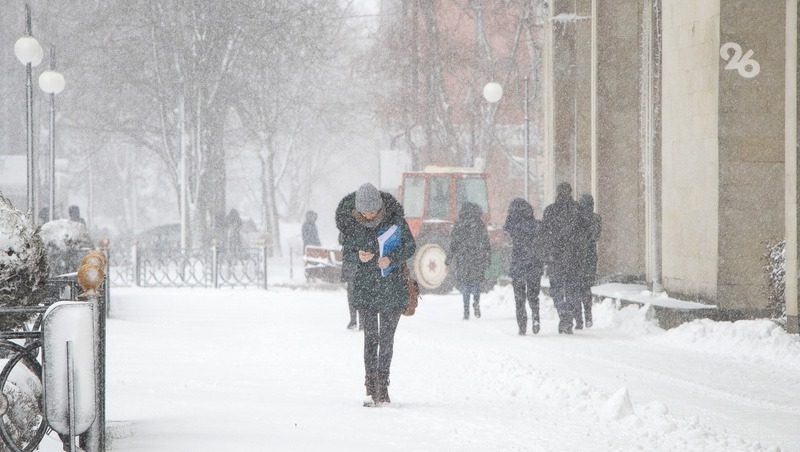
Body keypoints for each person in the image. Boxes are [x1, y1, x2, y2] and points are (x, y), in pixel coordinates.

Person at [335, 183, 416, 405]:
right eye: (365, 212)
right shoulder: (352, 225)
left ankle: (383, 386)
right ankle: (371, 386)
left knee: (387, 339)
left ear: (381, 207)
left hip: (392, 287)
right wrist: (357, 256)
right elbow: (347, 253)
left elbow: (410, 246)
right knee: (370, 339)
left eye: (373, 211)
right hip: (366, 289)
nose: (370, 215)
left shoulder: (395, 219)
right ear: (357, 210)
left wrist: (392, 258)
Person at [540, 182, 587, 335]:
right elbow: (584, 235)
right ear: (571, 192)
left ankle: (563, 313)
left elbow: (544, 235)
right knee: (573, 289)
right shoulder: (578, 211)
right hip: (575, 257)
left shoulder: (550, 211)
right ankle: (569, 315)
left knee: (557, 290)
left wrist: (547, 254)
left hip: (556, 258)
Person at [503, 198, 544, 335]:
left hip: (518, 265)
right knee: (533, 295)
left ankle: (522, 325)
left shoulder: (513, 226)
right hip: (534, 264)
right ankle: (536, 315)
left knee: (519, 297)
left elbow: (506, 231)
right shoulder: (537, 225)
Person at [447, 202, 490, 320]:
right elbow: (486, 242)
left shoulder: (459, 224)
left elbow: (453, 243)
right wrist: (487, 257)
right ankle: (476, 302)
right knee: (476, 282)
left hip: (463, 258)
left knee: (465, 283)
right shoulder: (480, 224)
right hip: (477, 257)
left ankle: (466, 310)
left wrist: (449, 258)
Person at [575, 194, 602, 329]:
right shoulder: (596, 218)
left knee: (575, 288)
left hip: (577, 256)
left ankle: (579, 319)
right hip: (590, 256)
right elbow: (595, 236)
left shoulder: (576, 218)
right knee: (586, 288)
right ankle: (588, 315)